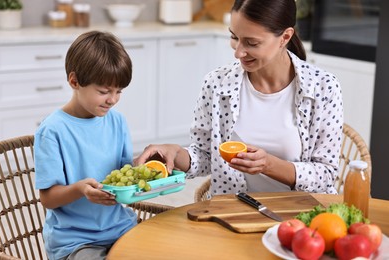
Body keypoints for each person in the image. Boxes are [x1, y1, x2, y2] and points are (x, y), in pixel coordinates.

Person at [135, 0, 343, 195]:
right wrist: (176, 153)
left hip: (300, 219)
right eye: (234, 37)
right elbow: (205, 157)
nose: (238, 52)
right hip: (233, 214)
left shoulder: (323, 88)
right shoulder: (217, 84)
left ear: (285, 37)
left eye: (251, 43)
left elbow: (326, 174)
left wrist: (269, 165)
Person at [34, 31, 137, 260]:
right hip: (76, 241)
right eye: (103, 91)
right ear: (74, 81)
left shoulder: (117, 122)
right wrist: (80, 189)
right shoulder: (52, 131)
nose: (113, 99)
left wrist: (146, 168)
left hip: (121, 227)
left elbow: (125, 174)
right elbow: (48, 198)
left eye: (118, 91)